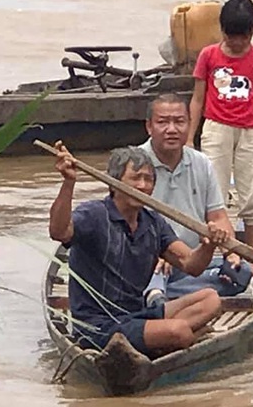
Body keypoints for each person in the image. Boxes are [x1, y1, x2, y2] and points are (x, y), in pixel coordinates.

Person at [48, 142, 228, 357]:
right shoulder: (94, 215)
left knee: (211, 299)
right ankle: (176, 338)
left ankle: (159, 339)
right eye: (135, 178)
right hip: (97, 326)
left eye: (148, 179)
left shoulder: (152, 222)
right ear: (113, 183)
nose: (143, 186)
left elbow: (192, 265)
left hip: (137, 315)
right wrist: (68, 183)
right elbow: (59, 232)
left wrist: (208, 245)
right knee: (179, 330)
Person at [139, 94, 253, 307]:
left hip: (193, 261)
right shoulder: (136, 163)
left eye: (179, 122)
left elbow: (218, 216)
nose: (171, 129)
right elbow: (125, 223)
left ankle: (166, 296)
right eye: (163, 122)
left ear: (189, 125)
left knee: (239, 274)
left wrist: (230, 253)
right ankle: (160, 293)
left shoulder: (201, 163)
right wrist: (155, 255)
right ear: (149, 127)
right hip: (153, 260)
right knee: (151, 273)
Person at [187, 0, 253, 250]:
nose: (239, 42)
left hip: (252, 131)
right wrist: (189, 138)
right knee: (213, 192)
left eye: (245, 36)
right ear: (222, 30)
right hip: (216, 128)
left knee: (252, 197)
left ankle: (251, 255)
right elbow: (197, 100)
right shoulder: (208, 56)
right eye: (232, 36)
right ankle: (217, 250)